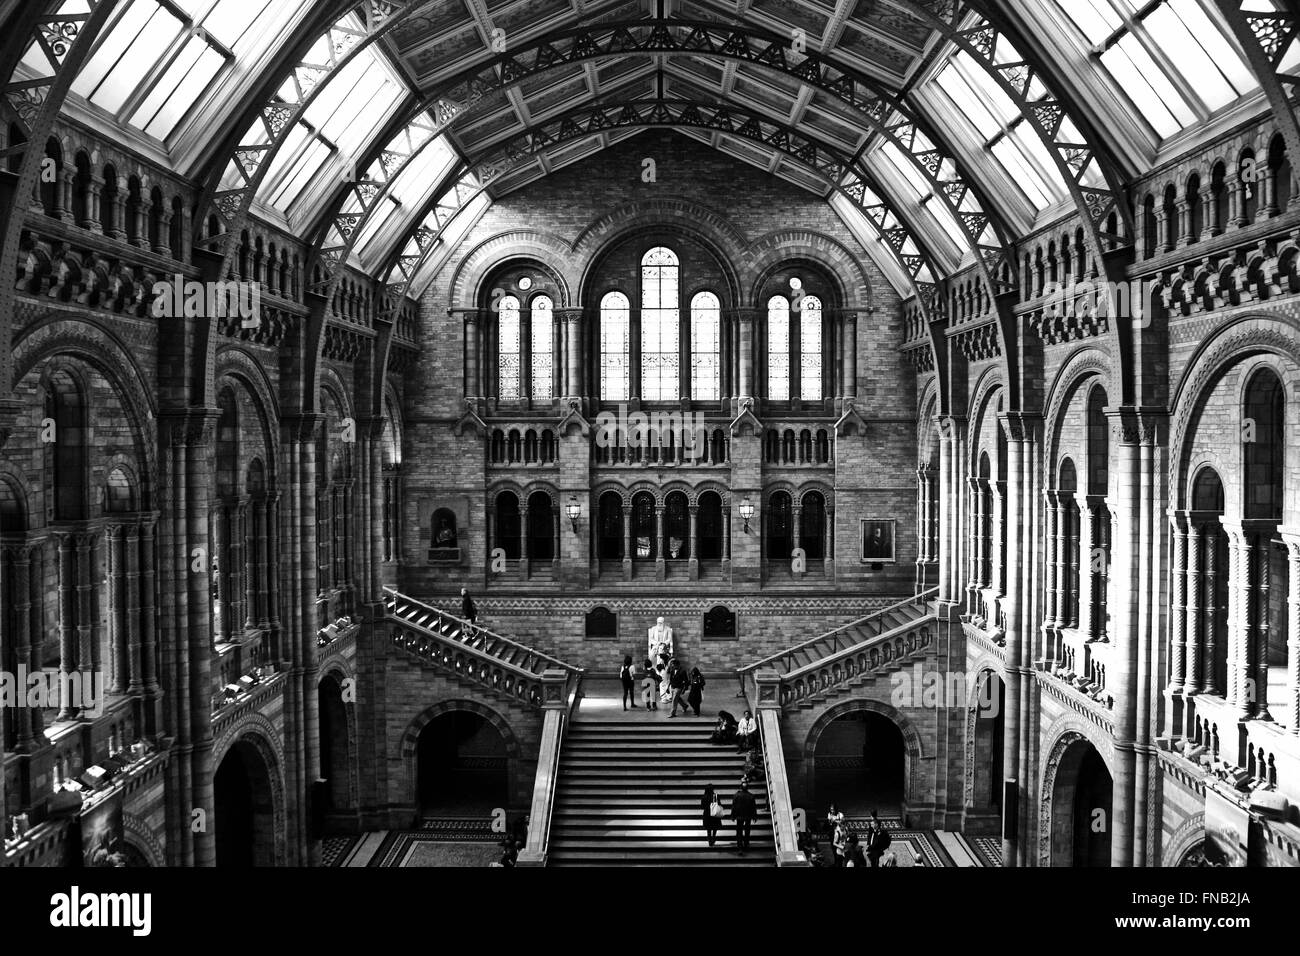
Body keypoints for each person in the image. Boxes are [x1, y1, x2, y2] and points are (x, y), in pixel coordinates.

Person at [730, 780, 757, 854]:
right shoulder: (751, 796)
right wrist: (754, 816)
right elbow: (753, 807)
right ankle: (746, 845)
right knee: (747, 830)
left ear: (741, 788)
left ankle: (740, 847)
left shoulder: (736, 795)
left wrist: (733, 816)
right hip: (748, 816)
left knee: (739, 831)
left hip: (739, 816)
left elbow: (734, 806)